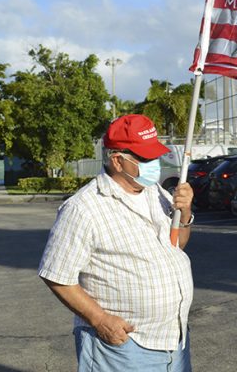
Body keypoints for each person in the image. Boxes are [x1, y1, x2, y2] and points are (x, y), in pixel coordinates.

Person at [38, 114, 196, 371]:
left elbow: (176, 245)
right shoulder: (84, 208)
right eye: (146, 158)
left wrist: (185, 213)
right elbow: (56, 274)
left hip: (174, 342)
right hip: (123, 347)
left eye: (156, 155)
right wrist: (99, 320)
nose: (154, 163)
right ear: (118, 160)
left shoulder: (157, 193)